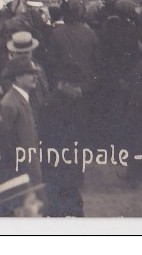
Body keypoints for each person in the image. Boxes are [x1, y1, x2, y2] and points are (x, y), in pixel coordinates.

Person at [40, 63, 88, 217]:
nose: (79, 91)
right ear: (63, 85)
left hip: (67, 170)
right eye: (76, 86)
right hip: (58, 172)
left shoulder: (69, 102)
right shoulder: (50, 107)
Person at [0, 57, 44, 196]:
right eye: (30, 73)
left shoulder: (22, 99)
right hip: (21, 175)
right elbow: (6, 145)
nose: (35, 77)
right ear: (18, 77)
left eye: (35, 73)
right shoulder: (10, 103)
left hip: (30, 170)